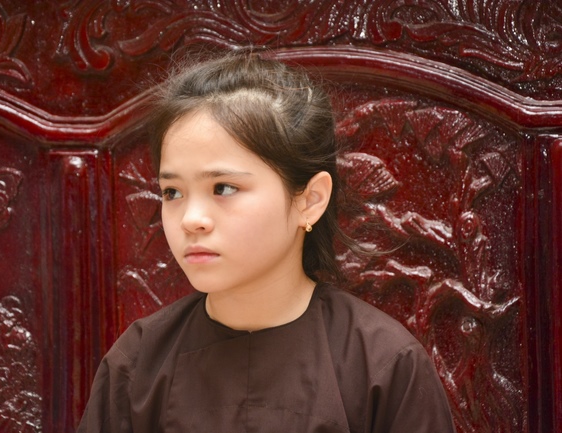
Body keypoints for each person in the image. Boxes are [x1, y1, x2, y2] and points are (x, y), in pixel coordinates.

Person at [77, 52, 456, 433]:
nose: (190, 219)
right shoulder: (136, 364)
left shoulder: (386, 366)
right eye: (172, 192)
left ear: (310, 200)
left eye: (223, 188)